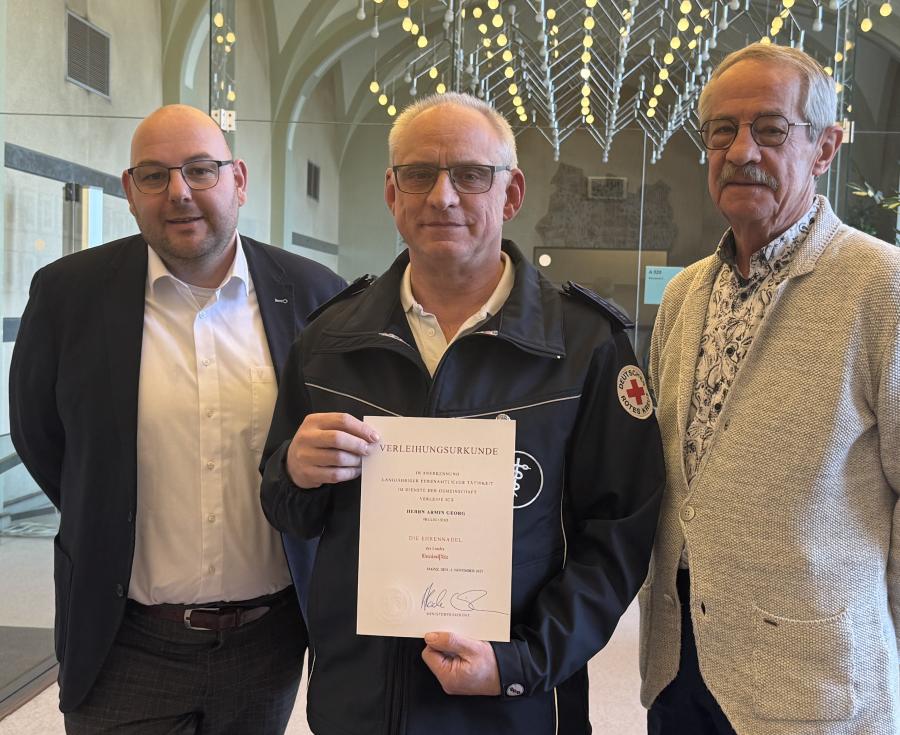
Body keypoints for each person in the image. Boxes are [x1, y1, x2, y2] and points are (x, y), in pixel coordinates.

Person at [259, 92, 665, 735]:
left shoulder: (585, 345)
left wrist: (522, 662)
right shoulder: (329, 341)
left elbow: (618, 536)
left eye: (471, 175)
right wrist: (294, 471)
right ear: (392, 192)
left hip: (513, 705)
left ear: (511, 193)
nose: (442, 197)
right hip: (359, 703)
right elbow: (287, 510)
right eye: (419, 174)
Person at [9, 104, 345, 733]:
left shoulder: (315, 295)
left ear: (238, 180)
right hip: (123, 643)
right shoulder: (67, 295)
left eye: (200, 169)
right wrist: (105, 504)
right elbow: (41, 437)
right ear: (130, 190)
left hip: (267, 644)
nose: (179, 192)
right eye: (155, 175)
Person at [641, 43, 900, 734]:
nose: (740, 151)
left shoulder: (882, 287)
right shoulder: (685, 295)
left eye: (771, 129)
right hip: (679, 667)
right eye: (721, 131)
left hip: (811, 685)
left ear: (825, 148)